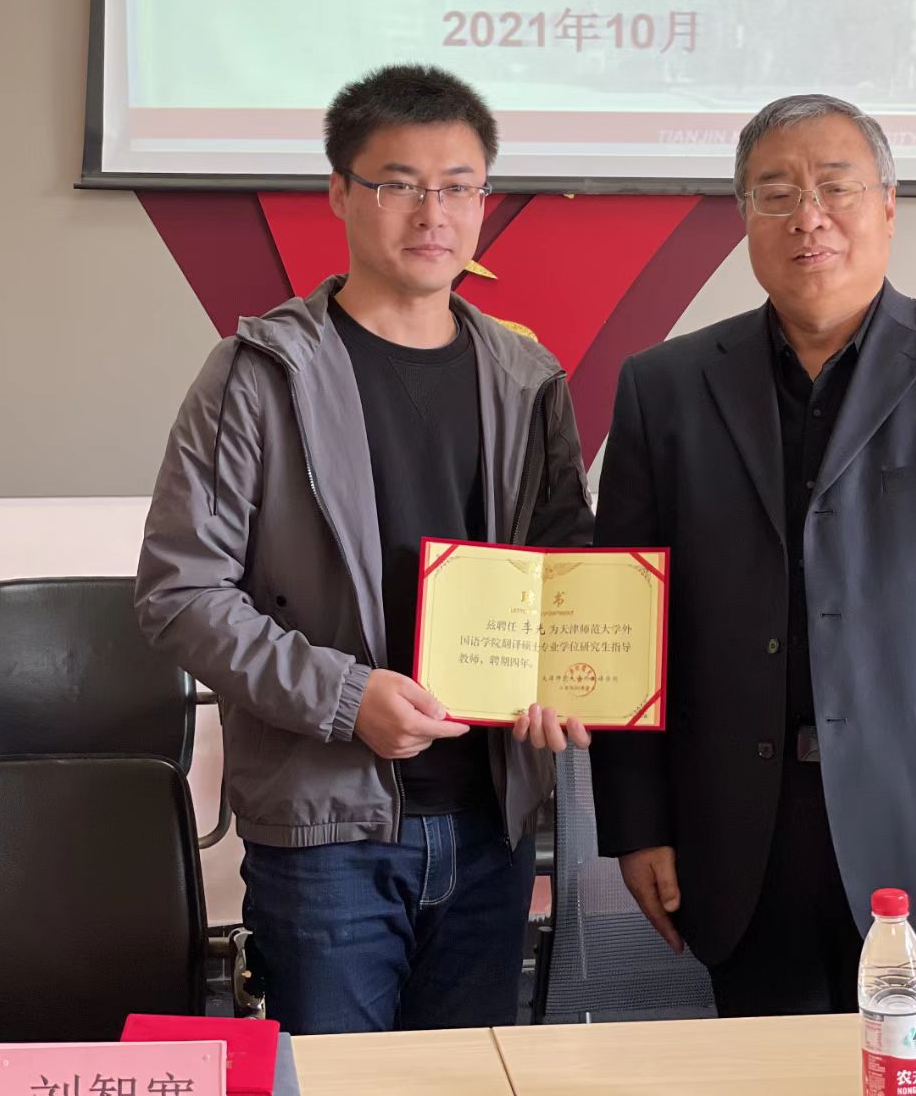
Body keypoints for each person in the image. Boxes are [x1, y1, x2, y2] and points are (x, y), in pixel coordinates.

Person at [590, 93, 916, 1016]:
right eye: (776, 193)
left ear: (888, 205)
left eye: (836, 187)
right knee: (770, 1075)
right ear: (744, 217)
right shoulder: (663, 389)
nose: (809, 216)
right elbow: (628, 627)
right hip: (742, 843)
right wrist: (636, 823)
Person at [136, 64, 593, 1034]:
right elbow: (180, 593)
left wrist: (572, 676)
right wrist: (346, 699)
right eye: (398, 184)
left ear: (484, 199)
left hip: (492, 821)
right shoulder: (258, 372)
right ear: (340, 192)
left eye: (458, 185)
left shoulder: (527, 376)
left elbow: (565, 575)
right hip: (325, 833)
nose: (432, 212)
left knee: (469, 1078)